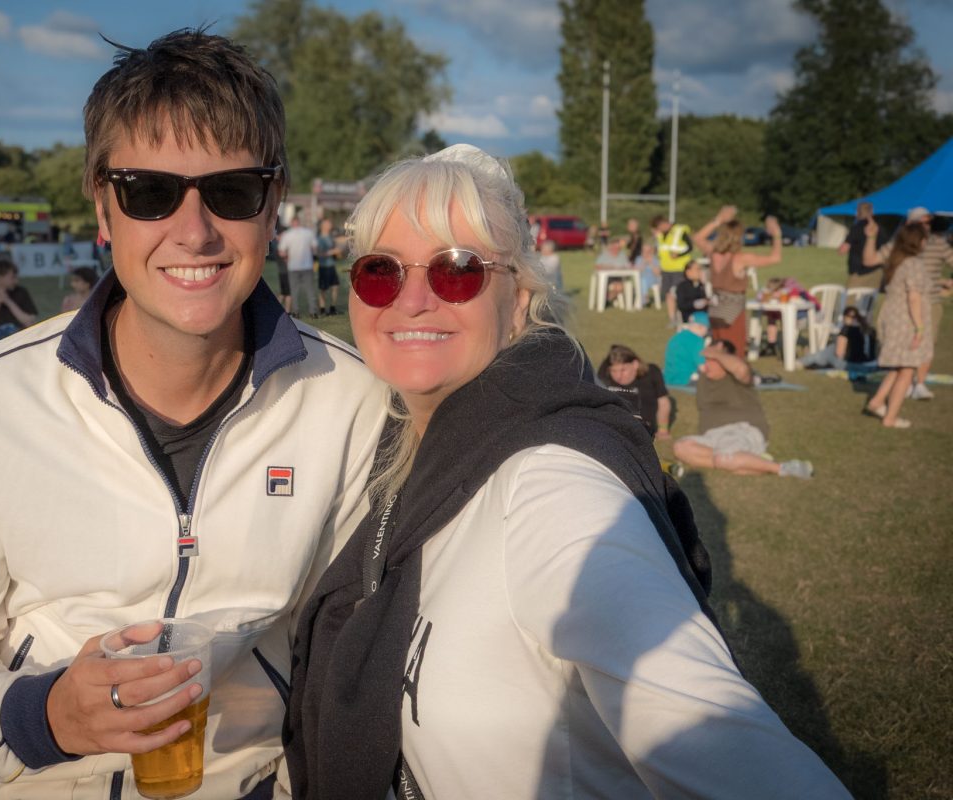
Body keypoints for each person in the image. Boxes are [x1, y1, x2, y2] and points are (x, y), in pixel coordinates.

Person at [0, 29, 385, 800]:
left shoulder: (347, 398)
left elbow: (343, 653)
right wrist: (43, 714)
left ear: (272, 206)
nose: (195, 231)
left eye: (232, 191)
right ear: (103, 207)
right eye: (150, 191)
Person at [283, 144, 848, 799]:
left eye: (457, 270)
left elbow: (739, 757)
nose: (410, 302)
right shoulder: (399, 450)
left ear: (519, 299)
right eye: (381, 270)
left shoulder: (553, 487)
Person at [672, 341, 814, 478]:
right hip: (712, 437)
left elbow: (740, 369)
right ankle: (747, 461)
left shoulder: (737, 377)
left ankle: (782, 468)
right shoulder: (703, 379)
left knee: (723, 458)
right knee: (680, 448)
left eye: (713, 359)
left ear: (727, 360)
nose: (707, 363)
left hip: (742, 431)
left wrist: (718, 353)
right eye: (707, 359)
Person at [862, 207, 953, 399]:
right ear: (910, 225)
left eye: (929, 223)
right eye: (922, 223)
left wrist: (947, 282)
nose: (926, 227)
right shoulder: (898, 246)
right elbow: (870, 260)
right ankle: (901, 386)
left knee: (926, 346)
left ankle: (918, 384)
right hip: (902, 307)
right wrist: (871, 237)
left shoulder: (938, 243)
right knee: (902, 351)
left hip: (930, 301)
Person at [862, 221, 932, 428]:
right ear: (919, 241)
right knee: (908, 368)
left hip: (892, 318)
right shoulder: (914, 264)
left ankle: (876, 401)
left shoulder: (896, 260)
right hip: (905, 322)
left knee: (899, 366)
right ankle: (890, 417)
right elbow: (914, 297)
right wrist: (919, 327)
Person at [692, 205, 783, 359]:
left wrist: (718, 219)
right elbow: (775, 258)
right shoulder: (740, 258)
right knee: (734, 354)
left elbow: (697, 238)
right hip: (733, 312)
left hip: (715, 310)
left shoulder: (713, 253)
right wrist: (777, 234)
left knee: (718, 353)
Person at [597, 344, 671, 439]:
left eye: (623, 370)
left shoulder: (651, 373)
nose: (618, 376)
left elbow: (663, 402)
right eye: (614, 371)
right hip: (611, 425)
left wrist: (663, 430)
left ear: (635, 364)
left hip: (644, 427)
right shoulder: (605, 376)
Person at [0, 254, 38, 343]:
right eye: (12, 277)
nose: (16, 281)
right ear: (0, 277)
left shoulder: (21, 292)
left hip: (19, 337)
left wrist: (8, 301)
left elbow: (30, 322)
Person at [754, 276, 818, 358]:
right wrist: (765, 296)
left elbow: (794, 299)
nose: (774, 293)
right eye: (771, 290)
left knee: (786, 325)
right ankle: (771, 344)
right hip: (775, 311)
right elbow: (759, 297)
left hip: (789, 314)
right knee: (771, 321)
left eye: (776, 291)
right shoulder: (766, 293)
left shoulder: (787, 292)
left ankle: (788, 349)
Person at [800, 305, 877, 373]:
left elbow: (839, 353)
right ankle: (809, 359)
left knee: (829, 350)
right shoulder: (871, 329)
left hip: (854, 366)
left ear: (845, 317)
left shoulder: (847, 329)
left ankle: (804, 361)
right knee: (830, 349)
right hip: (872, 365)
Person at [651, 214, 693, 326]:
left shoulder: (679, 231)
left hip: (679, 268)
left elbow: (690, 247)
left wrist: (679, 255)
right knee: (669, 294)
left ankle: (683, 317)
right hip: (666, 269)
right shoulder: (660, 236)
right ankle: (672, 319)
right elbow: (660, 252)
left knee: (678, 293)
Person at [838, 201, 886, 289]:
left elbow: (843, 250)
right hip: (877, 271)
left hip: (859, 271)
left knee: (850, 300)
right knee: (869, 300)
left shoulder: (856, 228)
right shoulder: (879, 228)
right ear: (872, 212)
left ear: (857, 212)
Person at [279, 214, 319, 317]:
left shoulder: (287, 234)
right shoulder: (308, 233)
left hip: (293, 267)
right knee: (310, 290)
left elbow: (282, 252)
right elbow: (314, 248)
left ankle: (296, 312)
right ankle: (313, 312)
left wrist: (287, 259)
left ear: (292, 223)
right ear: (299, 222)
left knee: (294, 291)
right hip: (307, 266)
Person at [664, 310, 711, 386]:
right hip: (685, 379)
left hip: (668, 377)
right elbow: (702, 367)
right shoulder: (697, 341)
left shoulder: (677, 336)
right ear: (701, 327)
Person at [594, 235, 631, 306]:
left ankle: (606, 300)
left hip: (619, 277)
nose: (615, 249)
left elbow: (627, 266)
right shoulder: (604, 255)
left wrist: (624, 268)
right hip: (607, 277)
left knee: (620, 286)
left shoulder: (622, 255)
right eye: (614, 247)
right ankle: (606, 300)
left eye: (617, 247)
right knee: (615, 285)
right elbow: (597, 266)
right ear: (610, 246)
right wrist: (608, 267)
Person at [316, 218, 341, 316]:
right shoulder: (319, 238)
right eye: (328, 223)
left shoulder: (330, 237)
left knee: (335, 286)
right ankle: (322, 309)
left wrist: (337, 252)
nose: (330, 225)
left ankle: (332, 308)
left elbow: (336, 251)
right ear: (323, 226)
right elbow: (319, 254)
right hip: (324, 267)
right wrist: (333, 251)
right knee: (323, 289)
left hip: (331, 266)